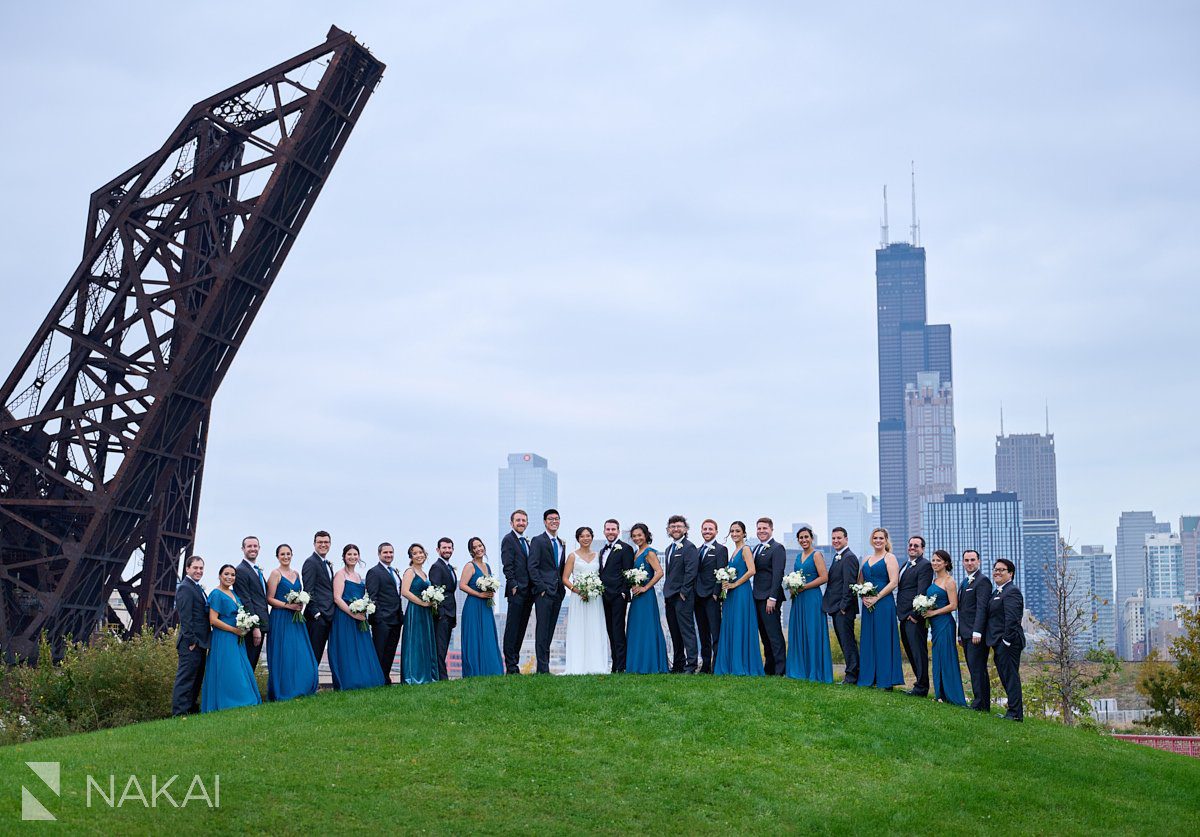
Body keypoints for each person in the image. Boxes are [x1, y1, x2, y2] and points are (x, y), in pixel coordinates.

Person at [200, 564, 262, 712]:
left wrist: (244, 626)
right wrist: (234, 630)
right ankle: (230, 701)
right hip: (223, 637)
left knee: (239, 668)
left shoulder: (234, 594)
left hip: (236, 637)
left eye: (232, 575)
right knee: (228, 669)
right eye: (226, 574)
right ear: (220, 576)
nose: (229, 577)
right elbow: (213, 620)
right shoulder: (216, 594)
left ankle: (243, 699)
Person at [265, 544, 319, 701]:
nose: (286, 556)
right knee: (285, 653)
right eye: (282, 554)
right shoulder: (275, 574)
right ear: (277, 556)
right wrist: (288, 605)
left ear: (292, 555)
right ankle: (285, 689)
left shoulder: (296, 573)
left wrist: (301, 603)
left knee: (299, 652)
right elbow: (269, 598)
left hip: (296, 619)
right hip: (280, 617)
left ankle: (301, 686)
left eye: (288, 554)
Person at [328, 544, 385, 691]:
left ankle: (363, 679)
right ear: (344, 557)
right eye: (349, 555)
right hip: (345, 617)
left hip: (359, 617)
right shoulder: (340, 575)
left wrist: (364, 610)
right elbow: (337, 598)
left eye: (355, 554)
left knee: (360, 649)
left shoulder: (359, 576)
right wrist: (352, 613)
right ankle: (349, 682)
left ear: (358, 557)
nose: (352, 557)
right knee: (347, 649)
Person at [713, 521, 764, 676]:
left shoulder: (745, 549)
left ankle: (742, 664)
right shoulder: (733, 551)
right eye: (732, 531)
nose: (734, 534)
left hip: (741, 592)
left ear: (744, 533)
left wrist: (735, 584)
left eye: (737, 531)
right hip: (731, 594)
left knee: (740, 625)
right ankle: (730, 663)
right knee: (731, 624)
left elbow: (752, 570)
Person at [858, 527, 904, 689]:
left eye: (881, 538)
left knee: (883, 639)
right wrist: (863, 596)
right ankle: (869, 677)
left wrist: (877, 597)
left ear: (886, 540)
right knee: (869, 639)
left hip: (884, 603)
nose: (878, 541)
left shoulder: (889, 557)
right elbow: (860, 582)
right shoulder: (866, 559)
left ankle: (885, 680)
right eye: (875, 538)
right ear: (872, 540)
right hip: (868, 604)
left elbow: (894, 582)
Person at [785, 527, 832, 683]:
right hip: (798, 599)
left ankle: (815, 670)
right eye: (801, 538)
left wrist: (804, 587)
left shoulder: (816, 554)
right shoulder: (798, 557)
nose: (804, 540)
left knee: (812, 631)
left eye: (806, 537)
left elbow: (824, 577)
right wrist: (793, 586)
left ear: (812, 538)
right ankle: (800, 669)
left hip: (812, 597)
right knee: (800, 631)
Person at [562, 526, 610, 674]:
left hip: (595, 598)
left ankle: (596, 664)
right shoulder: (572, 556)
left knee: (595, 628)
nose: (585, 538)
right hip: (579, 598)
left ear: (592, 537)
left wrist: (594, 589)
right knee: (579, 629)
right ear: (578, 539)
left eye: (588, 535)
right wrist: (578, 590)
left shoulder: (598, 556)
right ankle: (577, 665)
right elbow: (565, 578)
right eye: (582, 536)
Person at [625, 523, 669, 674]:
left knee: (647, 628)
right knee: (636, 628)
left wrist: (645, 587)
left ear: (646, 535)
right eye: (634, 536)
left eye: (640, 535)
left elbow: (659, 572)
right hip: (636, 596)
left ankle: (649, 664)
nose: (637, 538)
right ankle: (636, 664)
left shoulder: (649, 552)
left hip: (646, 596)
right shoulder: (636, 553)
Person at [924, 550, 966, 706]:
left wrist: (933, 612)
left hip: (945, 624)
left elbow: (953, 605)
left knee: (946, 657)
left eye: (938, 561)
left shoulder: (950, 581)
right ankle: (939, 693)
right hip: (934, 625)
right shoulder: (934, 581)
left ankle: (952, 695)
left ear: (946, 563)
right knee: (937, 658)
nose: (935, 563)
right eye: (933, 560)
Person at [986, 558, 1026, 721]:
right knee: (1006, 676)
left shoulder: (1012, 591)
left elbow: (1013, 619)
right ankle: (1013, 711)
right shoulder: (998, 592)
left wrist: (1006, 642)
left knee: (1010, 677)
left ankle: (1015, 714)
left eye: (1002, 570)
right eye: (995, 569)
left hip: (1009, 643)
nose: (997, 572)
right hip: (997, 641)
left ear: (1010, 574)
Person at [459, 536, 504, 677]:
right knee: (474, 637)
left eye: (480, 546)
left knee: (487, 636)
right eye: (475, 547)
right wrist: (479, 595)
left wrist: (491, 591)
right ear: (471, 551)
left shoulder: (487, 566)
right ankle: (475, 671)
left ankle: (491, 670)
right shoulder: (470, 566)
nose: (479, 549)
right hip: (473, 605)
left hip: (486, 606)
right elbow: (462, 585)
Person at [529, 509, 567, 674]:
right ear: (545, 522)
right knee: (542, 630)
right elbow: (532, 566)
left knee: (550, 630)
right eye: (550, 519)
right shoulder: (538, 541)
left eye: (556, 519)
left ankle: (546, 667)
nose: (554, 521)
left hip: (558, 593)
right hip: (544, 593)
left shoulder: (561, 542)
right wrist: (541, 588)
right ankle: (542, 669)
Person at [896, 535, 934, 696]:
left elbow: (922, 591)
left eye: (916, 546)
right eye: (910, 544)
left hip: (913, 617)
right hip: (903, 615)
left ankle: (922, 687)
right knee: (911, 651)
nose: (912, 547)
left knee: (918, 651)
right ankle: (918, 684)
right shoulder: (905, 564)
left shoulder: (925, 565)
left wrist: (915, 614)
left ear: (922, 549)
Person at [172, 555, 209, 716]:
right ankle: (179, 712)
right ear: (187, 569)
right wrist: (192, 640)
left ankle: (191, 709)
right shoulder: (185, 587)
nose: (198, 571)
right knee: (186, 678)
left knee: (196, 677)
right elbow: (185, 617)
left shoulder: (196, 587)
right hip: (190, 643)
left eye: (201, 568)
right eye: (195, 568)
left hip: (200, 642)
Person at [662, 515, 700, 674]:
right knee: (675, 632)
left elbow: (691, 571)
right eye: (672, 526)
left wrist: (684, 592)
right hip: (669, 596)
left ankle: (691, 666)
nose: (676, 529)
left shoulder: (689, 547)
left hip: (682, 596)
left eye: (679, 526)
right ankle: (678, 664)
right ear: (668, 530)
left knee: (687, 631)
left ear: (685, 529)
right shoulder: (669, 548)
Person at [822, 526, 860, 685]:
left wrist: (843, 606)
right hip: (836, 607)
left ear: (846, 539)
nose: (836, 541)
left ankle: (852, 676)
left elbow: (849, 584)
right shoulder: (838, 556)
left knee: (847, 642)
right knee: (844, 642)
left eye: (839, 538)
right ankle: (852, 674)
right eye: (833, 538)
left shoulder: (849, 557)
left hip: (843, 609)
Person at [958, 549, 993, 711]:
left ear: (978, 561)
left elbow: (982, 608)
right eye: (966, 560)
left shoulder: (983, 581)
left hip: (976, 634)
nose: (969, 563)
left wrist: (977, 631)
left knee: (978, 669)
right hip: (965, 633)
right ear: (963, 562)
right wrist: (960, 633)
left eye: (972, 560)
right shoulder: (965, 582)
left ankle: (980, 703)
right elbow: (962, 611)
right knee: (973, 668)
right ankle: (982, 703)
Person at [598, 518, 635, 673]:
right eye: (608, 529)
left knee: (618, 630)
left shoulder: (626, 548)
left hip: (618, 596)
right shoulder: (602, 550)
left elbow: (628, 572)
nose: (611, 532)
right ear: (604, 531)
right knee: (610, 631)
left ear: (618, 531)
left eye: (613, 529)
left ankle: (621, 665)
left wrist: (623, 592)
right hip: (604, 596)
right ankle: (615, 664)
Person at [365, 542, 405, 683]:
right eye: (385, 553)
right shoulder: (374, 572)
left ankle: (385, 678)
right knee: (379, 651)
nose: (388, 555)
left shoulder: (394, 571)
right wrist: (379, 617)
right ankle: (376, 679)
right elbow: (373, 596)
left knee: (390, 651)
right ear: (379, 554)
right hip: (382, 620)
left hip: (396, 619)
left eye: (391, 552)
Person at [752, 517, 787, 675]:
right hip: (757, 597)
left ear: (771, 529)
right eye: (759, 528)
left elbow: (778, 574)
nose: (761, 531)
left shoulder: (777, 548)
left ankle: (780, 669)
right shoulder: (756, 549)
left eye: (764, 528)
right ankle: (770, 668)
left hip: (769, 599)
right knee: (764, 635)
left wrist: (772, 598)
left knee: (774, 635)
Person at [500, 510, 534, 674]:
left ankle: (515, 663)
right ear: (511, 522)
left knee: (521, 628)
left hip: (528, 592)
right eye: (518, 520)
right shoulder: (509, 539)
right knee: (512, 628)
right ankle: (511, 666)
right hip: (516, 591)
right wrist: (513, 584)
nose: (521, 523)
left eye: (523, 520)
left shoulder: (526, 542)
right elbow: (507, 565)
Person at [400, 544, 439, 685]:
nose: (418, 555)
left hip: (426, 611)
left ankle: (426, 675)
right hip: (415, 611)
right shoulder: (410, 572)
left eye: (420, 552)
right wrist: (421, 603)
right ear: (411, 557)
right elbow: (404, 591)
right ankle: (413, 677)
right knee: (415, 642)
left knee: (424, 642)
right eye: (415, 553)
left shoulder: (424, 573)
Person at [301, 530, 336, 685]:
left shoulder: (326, 563)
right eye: (320, 542)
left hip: (330, 614)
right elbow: (309, 590)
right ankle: (309, 685)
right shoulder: (311, 562)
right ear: (314, 544)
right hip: (317, 617)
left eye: (326, 542)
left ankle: (312, 685)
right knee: (314, 653)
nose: (323, 545)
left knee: (321, 652)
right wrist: (316, 613)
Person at [694, 519, 728, 674]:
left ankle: (717, 666)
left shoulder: (721, 549)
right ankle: (705, 665)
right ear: (701, 531)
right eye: (705, 529)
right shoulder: (697, 550)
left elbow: (722, 572)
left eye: (710, 529)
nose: (707, 531)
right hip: (697, 596)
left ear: (716, 531)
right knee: (703, 633)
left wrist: (716, 593)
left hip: (711, 597)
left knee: (716, 633)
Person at [234, 536, 270, 670]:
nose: (253, 549)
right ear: (243, 549)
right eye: (249, 546)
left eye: (255, 546)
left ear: (259, 548)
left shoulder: (256, 570)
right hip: (253, 626)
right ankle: (243, 691)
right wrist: (255, 627)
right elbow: (246, 600)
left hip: (262, 623)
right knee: (248, 663)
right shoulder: (241, 570)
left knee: (252, 664)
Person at [428, 537, 460, 681]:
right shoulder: (437, 567)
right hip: (442, 614)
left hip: (450, 613)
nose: (447, 550)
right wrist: (440, 614)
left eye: (449, 548)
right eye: (444, 548)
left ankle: (441, 676)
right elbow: (435, 591)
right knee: (440, 648)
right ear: (438, 550)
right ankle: (441, 677)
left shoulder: (448, 567)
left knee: (444, 647)